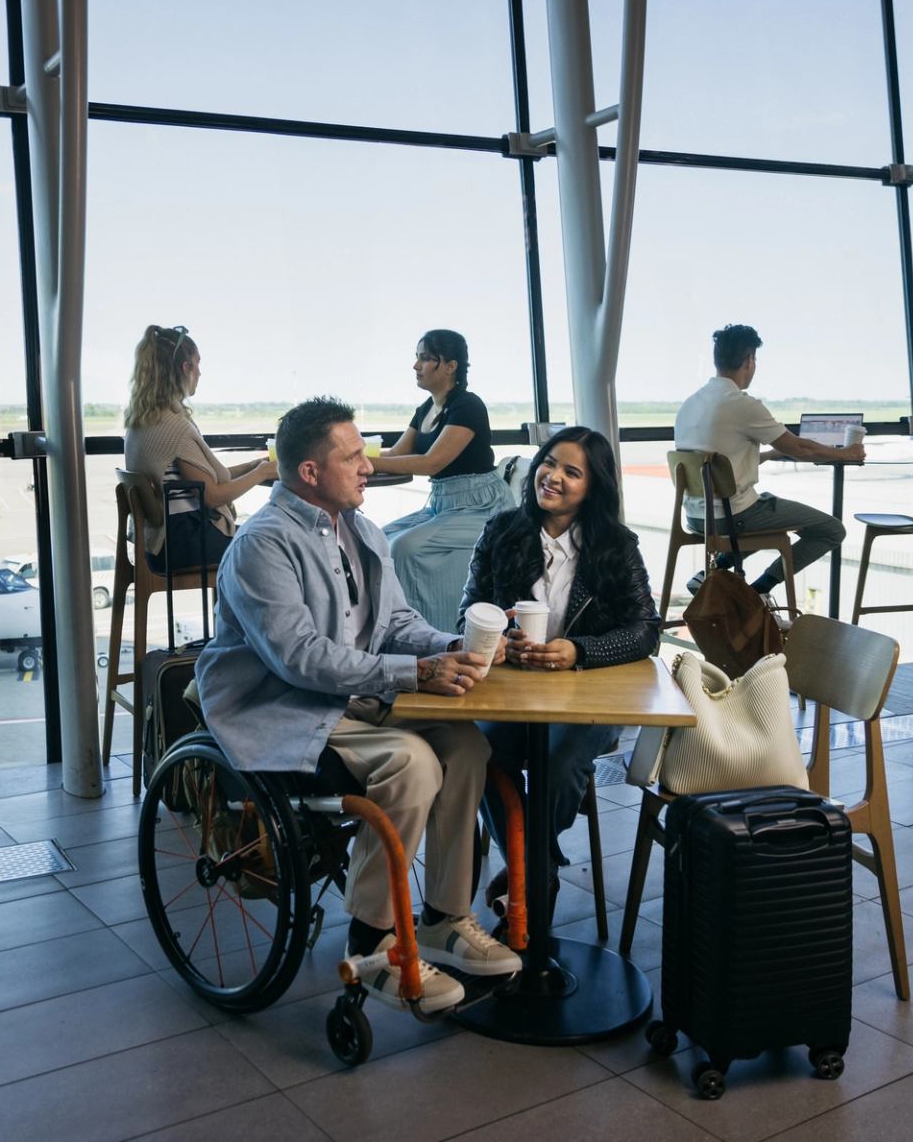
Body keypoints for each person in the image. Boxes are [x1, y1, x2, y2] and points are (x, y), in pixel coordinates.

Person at [196, 396, 522, 1012]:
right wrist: (412, 673)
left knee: (469, 745)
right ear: (310, 473)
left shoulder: (363, 532)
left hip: (357, 694)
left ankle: (445, 918)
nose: (369, 465)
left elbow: (397, 622)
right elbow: (301, 660)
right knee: (413, 763)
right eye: (353, 457)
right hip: (286, 705)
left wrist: (452, 645)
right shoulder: (263, 545)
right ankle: (373, 942)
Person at [458, 426, 662, 908]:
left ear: (593, 487)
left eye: (572, 472)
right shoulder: (502, 531)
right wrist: (495, 640)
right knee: (477, 750)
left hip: (583, 695)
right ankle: (538, 871)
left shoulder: (615, 545)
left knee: (564, 760)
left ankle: (526, 872)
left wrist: (580, 652)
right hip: (511, 690)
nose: (552, 477)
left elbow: (645, 629)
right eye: (548, 463)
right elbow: (468, 611)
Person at [673, 324, 864, 597]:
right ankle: (758, 591)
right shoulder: (741, 404)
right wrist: (846, 454)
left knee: (768, 511)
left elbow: (714, 465)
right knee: (830, 530)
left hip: (696, 517)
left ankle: (712, 572)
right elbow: (801, 448)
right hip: (730, 517)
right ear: (749, 361)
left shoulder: (690, 404)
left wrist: (769, 454)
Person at [380, 330, 515, 627]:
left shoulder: (467, 406)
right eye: (417, 358)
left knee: (405, 548)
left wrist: (363, 461)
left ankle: (427, 635)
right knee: (379, 539)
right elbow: (395, 456)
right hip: (444, 504)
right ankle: (388, 627)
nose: (416, 366)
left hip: (482, 507)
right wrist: (348, 459)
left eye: (426, 358)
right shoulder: (426, 409)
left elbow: (431, 463)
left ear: (450, 366)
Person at [122, 325, 276, 574]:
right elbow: (212, 495)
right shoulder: (174, 426)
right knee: (274, 544)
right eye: (198, 364)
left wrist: (253, 466)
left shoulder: (142, 421)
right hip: (186, 545)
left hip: (159, 546)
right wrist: (263, 474)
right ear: (185, 368)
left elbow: (201, 480)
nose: (200, 373)